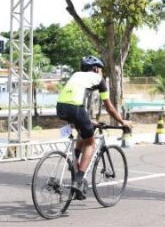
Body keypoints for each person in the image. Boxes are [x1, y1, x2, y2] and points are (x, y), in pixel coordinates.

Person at [55, 55, 132, 199]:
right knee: (91, 143)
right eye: (101, 70)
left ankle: (75, 166)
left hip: (60, 108)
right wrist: (122, 122)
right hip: (76, 108)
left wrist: (88, 121)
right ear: (96, 69)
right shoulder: (99, 79)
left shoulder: (76, 75)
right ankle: (78, 180)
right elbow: (109, 107)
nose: (102, 73)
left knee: (82, 135)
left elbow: (77, 101)